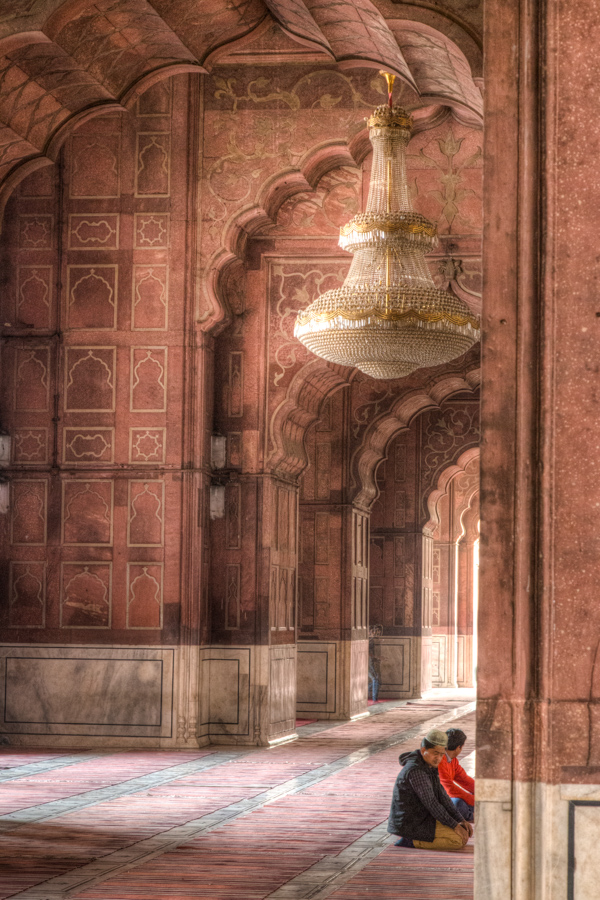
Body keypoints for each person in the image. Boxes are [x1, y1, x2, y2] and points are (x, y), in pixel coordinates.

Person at [387, 728, 473, 851]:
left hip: (424, 817)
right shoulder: (416, 770)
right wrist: (454, 825)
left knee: (462, 832)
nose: (438, 758)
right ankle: (410, 840)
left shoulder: (429, 765)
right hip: (411, 823)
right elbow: (432, 803)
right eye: (435, 753)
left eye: (441, 754)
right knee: (457, 840)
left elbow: (442, 795)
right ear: (423, 750)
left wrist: (460, 820)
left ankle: (420, 837)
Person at [438, 728, 475, 823]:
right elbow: (449, 789)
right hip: (434, 801)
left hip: (445, 797)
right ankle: (473, 815)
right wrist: (474, 800)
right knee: (457, 804)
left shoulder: (452, 760)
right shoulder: (438, 760)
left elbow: (464, 779)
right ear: (459, 747)